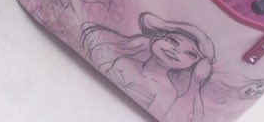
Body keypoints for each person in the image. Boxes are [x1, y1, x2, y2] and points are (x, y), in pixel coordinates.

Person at [81, 11, 215, 121]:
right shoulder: (124, 62)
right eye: (172, 40)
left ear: (194, 65)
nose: (176, 50)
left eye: (190, 54)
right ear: (158, 37)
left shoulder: (168, 92)